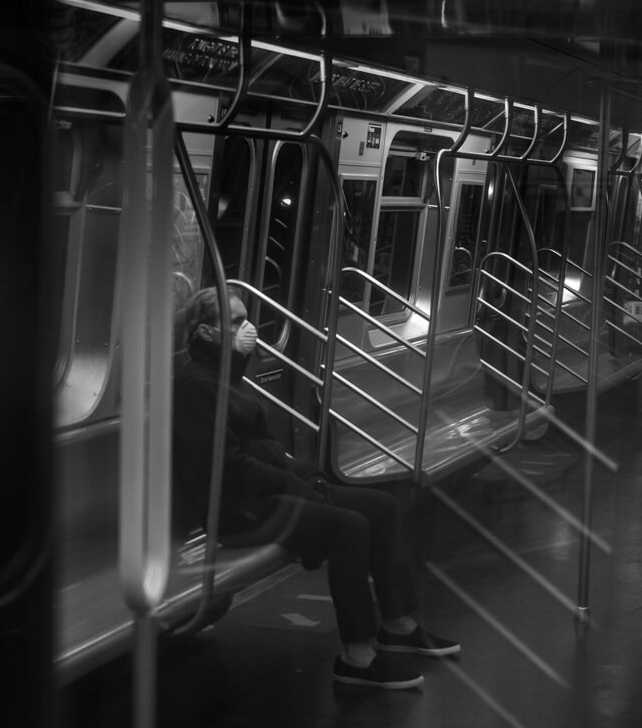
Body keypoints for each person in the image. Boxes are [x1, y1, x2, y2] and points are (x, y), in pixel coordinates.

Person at [172, 287, 459, 689]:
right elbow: (228, 468)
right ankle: (356, 656)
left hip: (265, 497)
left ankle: (398, 623)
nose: (248, 328)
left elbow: (263, 446)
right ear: (205, 332)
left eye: (245, 317)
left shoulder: (230, 378)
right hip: (237, 512)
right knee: (350, 527)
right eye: (236, 322)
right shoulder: (196, 387)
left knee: (382, 507)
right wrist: (289, 477)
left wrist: (294, 472)